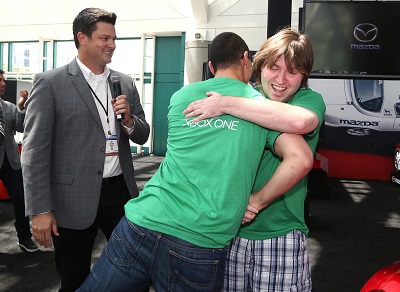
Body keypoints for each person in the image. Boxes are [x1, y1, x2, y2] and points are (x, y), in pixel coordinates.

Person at [77, 31, 317, 292]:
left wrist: (225, 105)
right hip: (199, 240)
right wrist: (255, 202)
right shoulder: (263, 109)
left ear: (211, 67)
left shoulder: (181, 96)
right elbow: (301, 158)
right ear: (247, 59)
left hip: (141, 222)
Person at [184, 28, 326, 291]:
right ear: (259, 65)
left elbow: (301, 121)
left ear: (303, 76)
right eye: (274, 68)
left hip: (279, 233)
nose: (281, 79)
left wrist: (256, 201)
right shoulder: (245, 96)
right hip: (227, 233)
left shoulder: (306, 99)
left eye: (292, 72)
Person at [21, 8, 150, 292]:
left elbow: (143, 134)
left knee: (135, 270)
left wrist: (129, 120)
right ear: (82, 38)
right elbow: (34, 152)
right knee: (74, 278)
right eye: (104, 38)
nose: (112, 44)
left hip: (120, 193)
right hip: (70, 198)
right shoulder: (51, 83)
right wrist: (40, 209)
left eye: (114, 38)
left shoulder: (124, 82)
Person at [0, 70, 33, 252]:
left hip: (11, 161)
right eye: (0, 80)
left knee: (21, 199)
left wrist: (21, 107)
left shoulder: (10, 107)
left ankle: (24, 238)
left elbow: (20, 127)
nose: (3, 83)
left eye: (4, 80)